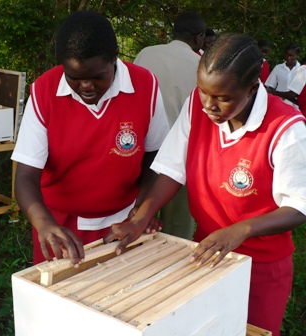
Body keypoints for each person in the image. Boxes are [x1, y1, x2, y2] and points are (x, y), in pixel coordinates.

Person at [105, 33, 306, 336]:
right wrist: (141, 218)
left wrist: (241, 229)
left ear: (253, 89)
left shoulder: (286, 127)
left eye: (223, 98)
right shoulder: (196, 108)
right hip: (206, 251)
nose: (209, 106)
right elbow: (170, 169)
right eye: (203, 92)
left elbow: (299, 205)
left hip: (262, 266)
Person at [11, 10, 170, 266]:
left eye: (98, 77)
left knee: (121, 298)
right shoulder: (44, 91)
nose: (86, 87)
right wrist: (43, 223)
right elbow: (26, 175)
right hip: (61, 228)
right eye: (74, 78)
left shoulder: (145, 85)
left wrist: (141, 211)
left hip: (124, 223)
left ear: (114, 59)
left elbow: (155, 156)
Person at [133, 11, 205, 240]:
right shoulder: (201, 65)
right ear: (199, 38)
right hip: (181, 158)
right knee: (178, 230)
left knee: (137, 220)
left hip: (143, 155)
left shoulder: (146, 55)